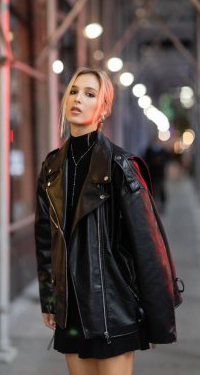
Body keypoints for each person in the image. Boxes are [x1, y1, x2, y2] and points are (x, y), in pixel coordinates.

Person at [35, 67, 183, 375]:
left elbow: (147, 246)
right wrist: (50, 300)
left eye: (89, 94)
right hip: (72, 310)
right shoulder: (51, 168)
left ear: (103, 108)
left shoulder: (121, 166)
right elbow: (45, 241)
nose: (78, 99)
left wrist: (156, 319)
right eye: (74, 91)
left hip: (113, 310)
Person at [144, 137, 171, 214]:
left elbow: (166, 160)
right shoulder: (149, 150)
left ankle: (162, 206)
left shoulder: (163, 151)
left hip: (160, 174)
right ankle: (152, 207)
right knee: (151, 190)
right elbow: (146, 159)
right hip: (151, 174)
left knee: (161, 189)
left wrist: (160, 161)